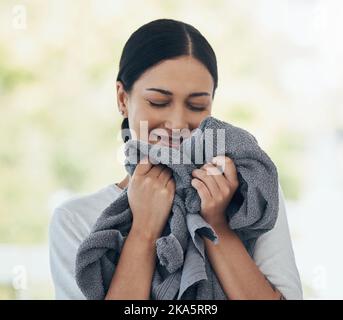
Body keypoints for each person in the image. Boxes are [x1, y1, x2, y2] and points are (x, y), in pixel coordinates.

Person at [49, 18, 303, 300]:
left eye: (197, 106)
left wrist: (216, 224)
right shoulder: (74, 220)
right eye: (158, 102)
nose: (177, 122)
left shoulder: (253, 194)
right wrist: (143, 231)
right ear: (122, 98)